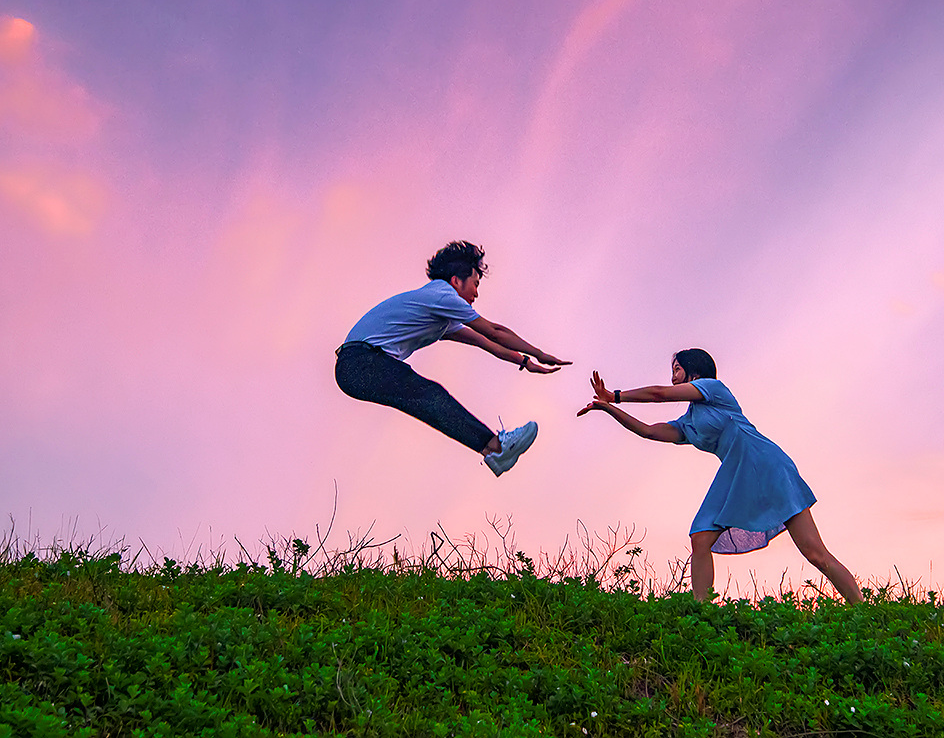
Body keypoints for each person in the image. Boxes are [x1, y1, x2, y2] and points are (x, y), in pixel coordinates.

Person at [578, 349, 863, 603]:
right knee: (701, 537)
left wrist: (616, 395)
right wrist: (609, 408)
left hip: (766, 463)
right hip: (736, 473)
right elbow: (649, 431)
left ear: (694, 371)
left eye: (677, 370)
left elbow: (659, 394)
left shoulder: (713, 389)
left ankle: (862, 611)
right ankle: (702, 612)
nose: (673, 377)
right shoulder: (689, 422)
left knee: (815, 554)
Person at [336, 241, 571, 476]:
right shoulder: (441, 296)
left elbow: (486, 342)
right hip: (360, 362)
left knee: (429, 397)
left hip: (357, 367)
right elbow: (494, 331)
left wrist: (525, 362)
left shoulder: (439, 311)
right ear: (456, 280)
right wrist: (539, 353)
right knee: (428, 394)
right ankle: (496, 448)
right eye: (475, 284)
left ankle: (494, 450)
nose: (476, 293)